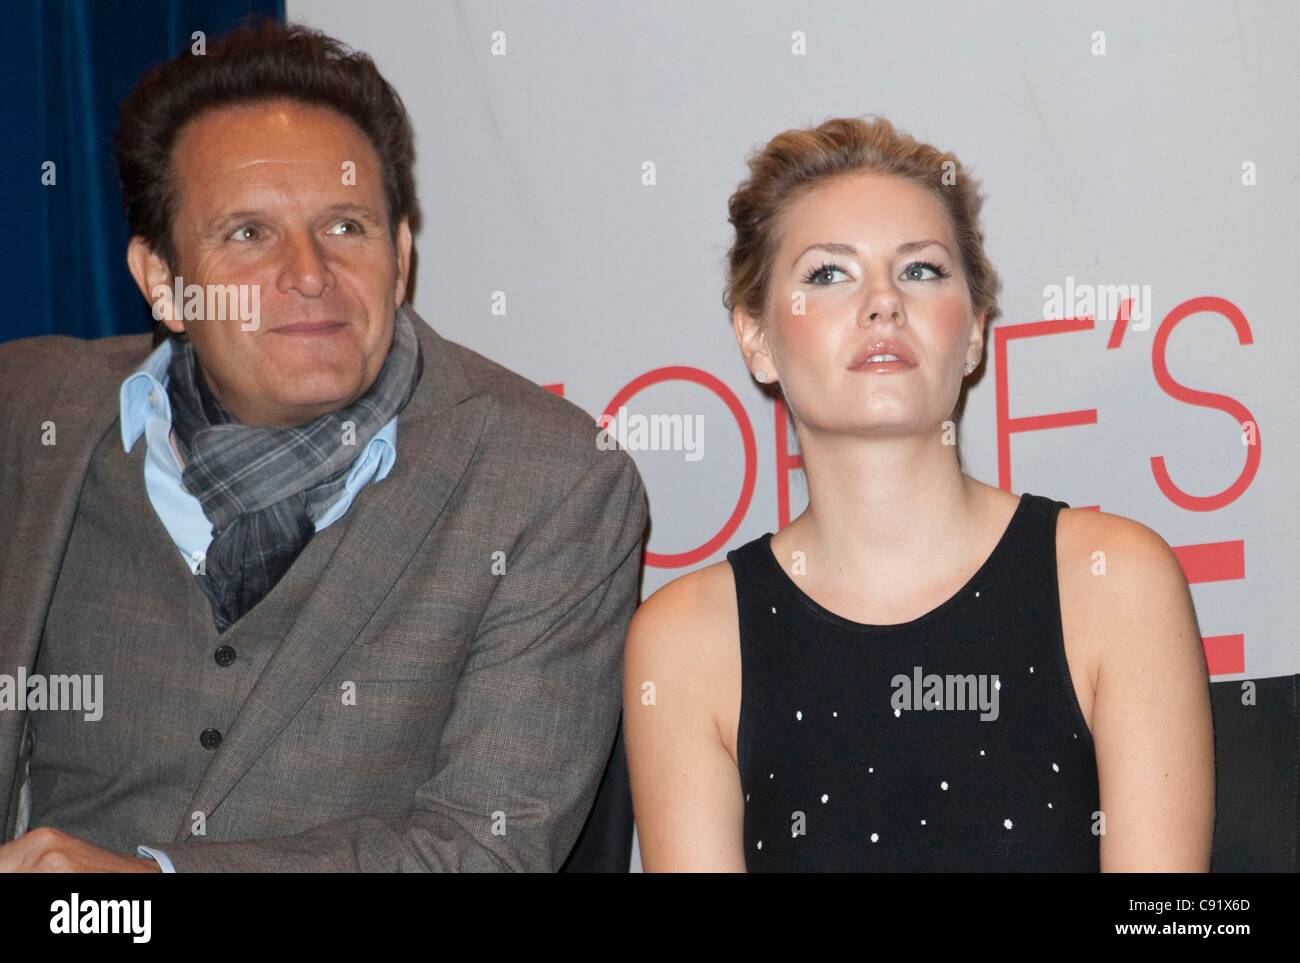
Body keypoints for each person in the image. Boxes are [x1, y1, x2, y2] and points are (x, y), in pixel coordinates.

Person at [0, 20, 647, 872]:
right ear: (162, 280)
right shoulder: (28, 414)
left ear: (401, 254)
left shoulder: (549, 480)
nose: (308, 273)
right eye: (248, 233)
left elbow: (485, 851)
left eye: (345, 227)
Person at [623, 115, 1214, 871]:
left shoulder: (1115, 582)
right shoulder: (682, 641)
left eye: (922, 270)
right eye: (827, 274)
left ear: (972, 330)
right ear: (757, 338)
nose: (883, 303)